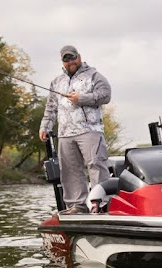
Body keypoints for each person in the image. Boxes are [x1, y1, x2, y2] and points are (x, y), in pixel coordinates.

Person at [39, 45, 111, 214]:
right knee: (69, 170)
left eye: (72, 57)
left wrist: (82, 98)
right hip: (65, 134)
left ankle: (101, 204)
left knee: (96, 165)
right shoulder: (56, 82)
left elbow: (106, 95)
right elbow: (50, 107)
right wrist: (44, 126)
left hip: (90, 130)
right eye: (66, 59)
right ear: (62, 62)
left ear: (79, 57)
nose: (70, 61)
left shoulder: (94, 75)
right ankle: (77, 206)